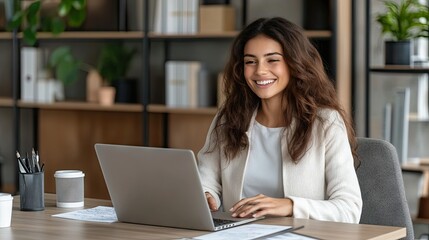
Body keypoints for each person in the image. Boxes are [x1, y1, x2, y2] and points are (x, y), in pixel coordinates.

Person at [197, 17, 362, 223]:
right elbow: (206, 179)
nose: (260, 71)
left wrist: (290, 206)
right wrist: (205, 195)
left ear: (295, 63)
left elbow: (349, 209)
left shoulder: (325, 122)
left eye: (272, 59)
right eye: (250, 61)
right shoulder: (229, 118)